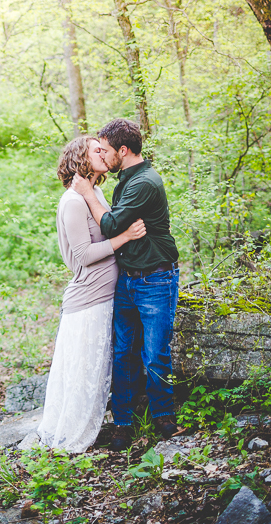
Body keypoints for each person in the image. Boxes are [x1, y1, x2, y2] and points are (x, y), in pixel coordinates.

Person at [71, 118, 181, 450]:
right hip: (127, 280)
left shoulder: (145, 182)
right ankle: (123, 423)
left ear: (123, 149)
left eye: (105, 150)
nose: (102, 156)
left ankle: (164, 417)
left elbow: (112, 224)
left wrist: (88, 192)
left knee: (154, 353)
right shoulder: (127, 180)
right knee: (123, 353)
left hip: (155, 280)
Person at [37, 136, 147, 453]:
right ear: (79, 158)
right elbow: (83, 255)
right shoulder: (73, 201)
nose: (104, 153)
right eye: (96, 150)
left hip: (106, 294)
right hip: (88, 299)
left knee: (98, 368)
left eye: (104, 148)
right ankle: (69, 435)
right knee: (83, 371)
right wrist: (126, 237)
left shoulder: (95, 191)